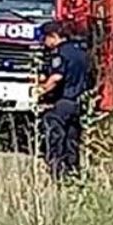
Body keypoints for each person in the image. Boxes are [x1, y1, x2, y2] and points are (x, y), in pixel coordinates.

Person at [36, 21, 89, 179]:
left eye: (45, 38)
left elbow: (56, 77)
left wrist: (40, 91)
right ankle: (72, 172)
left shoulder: (60, 53)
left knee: (54, 132)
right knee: (71, 138)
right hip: (79, 102)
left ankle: (56, 170)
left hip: (64, 100)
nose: (44, 42)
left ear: (53, 37)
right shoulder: (81, 51)